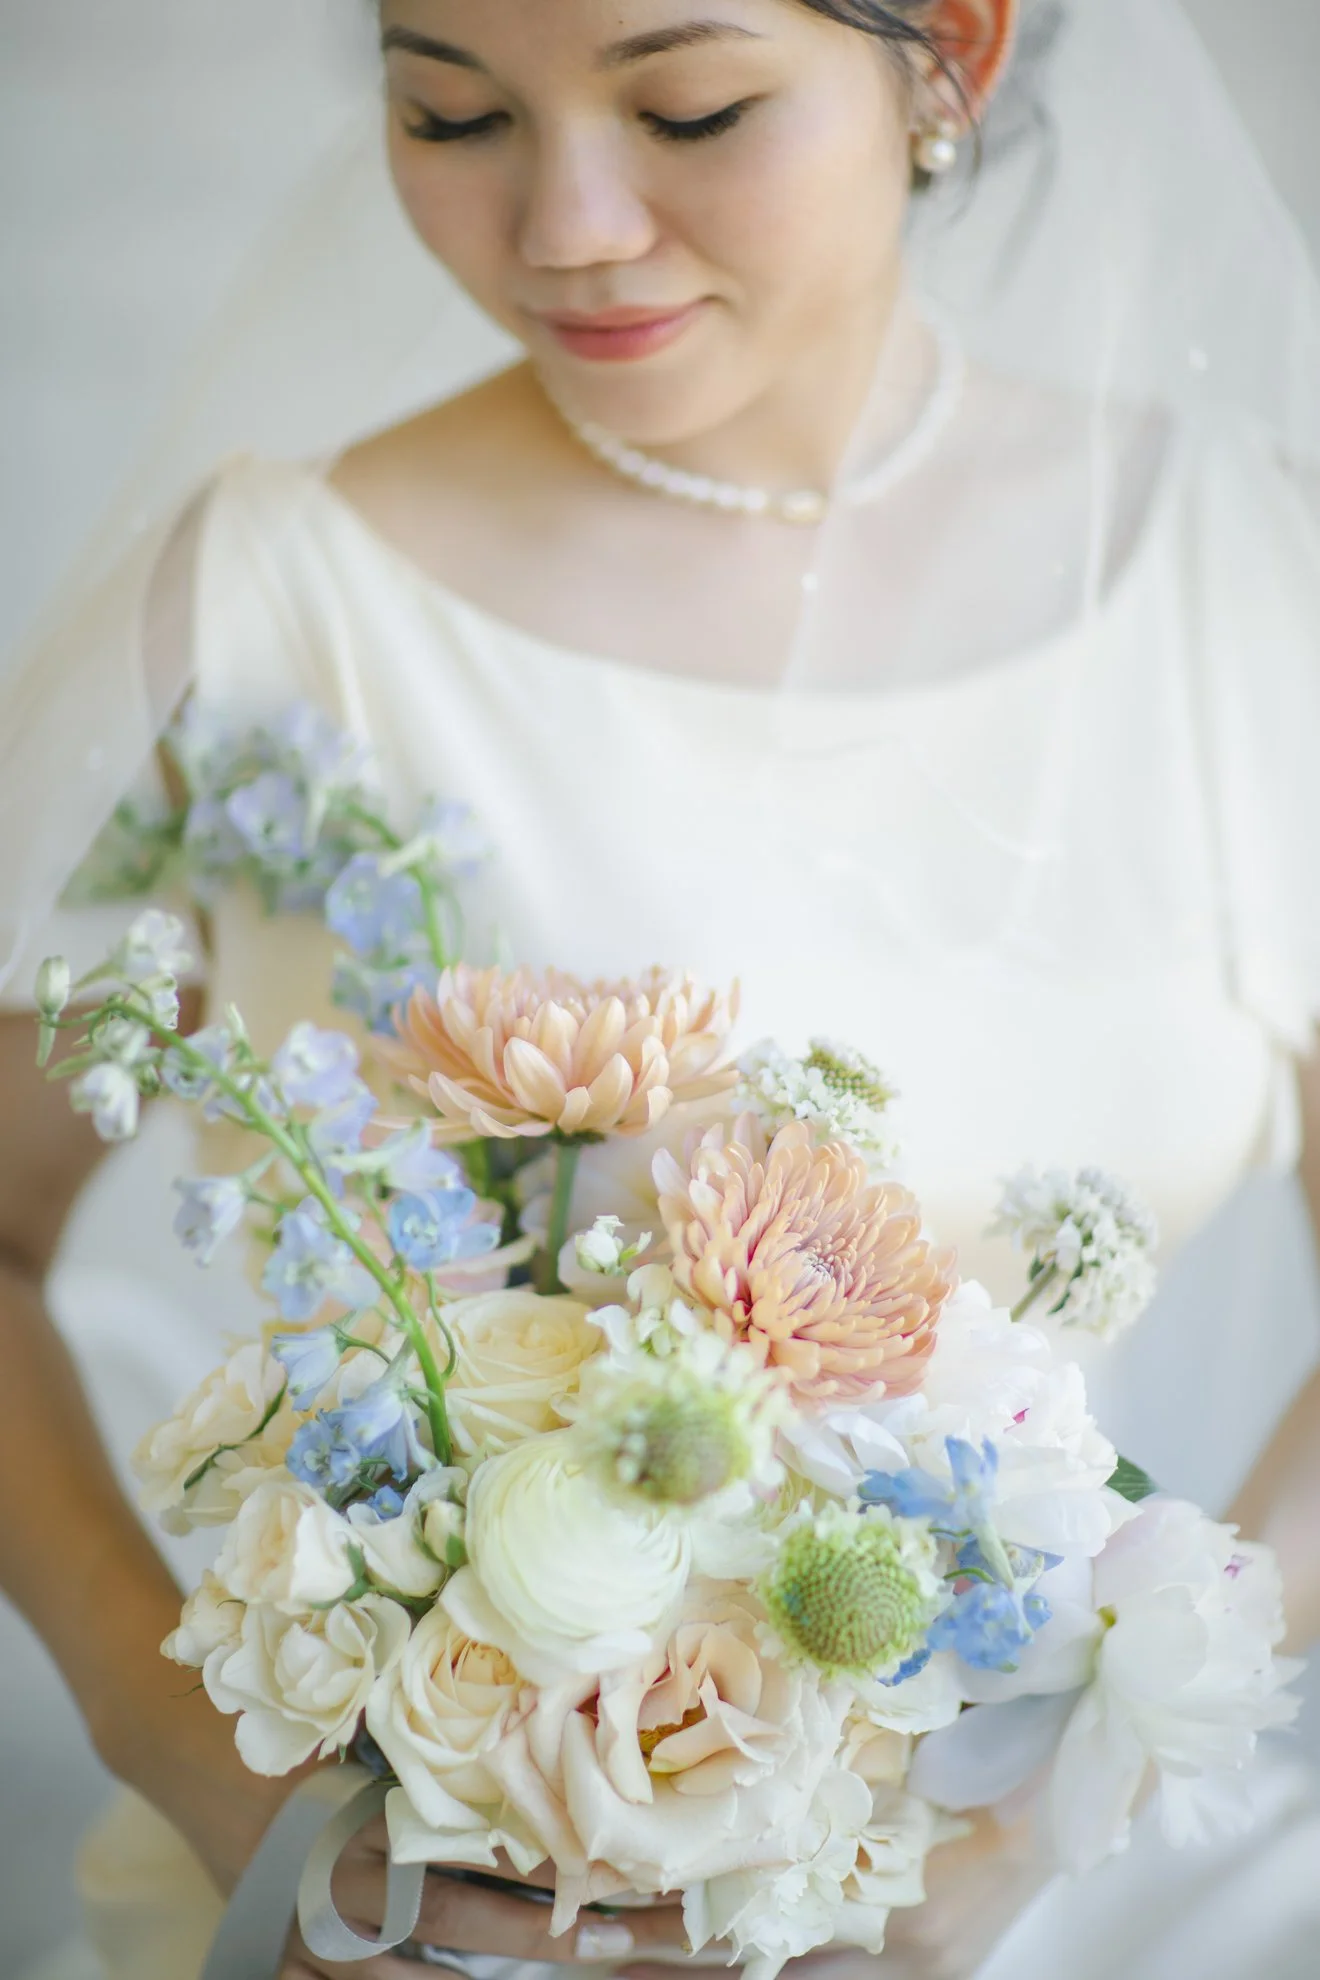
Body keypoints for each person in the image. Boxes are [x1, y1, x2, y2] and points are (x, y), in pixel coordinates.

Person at [1, 2, 1318, 1978]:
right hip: (407, 1911)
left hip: (1070, 1895)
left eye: (690, 109)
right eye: (452, 113)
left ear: (952, 51)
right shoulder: (279, 595)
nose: (568, 229)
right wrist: (180, 1745)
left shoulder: (1244, 580)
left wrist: (1032, 1832)